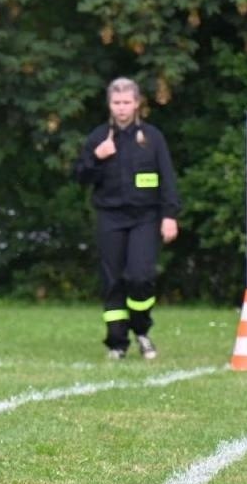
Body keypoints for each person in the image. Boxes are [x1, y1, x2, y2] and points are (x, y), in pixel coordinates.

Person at [72, 77, 180, 360]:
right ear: (110, 104)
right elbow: (81, 177)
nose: (122, 108)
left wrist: (170, 215)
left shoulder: (152, 137)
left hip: (145, 217)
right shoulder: (98, 138)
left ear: (137, 103)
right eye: (116, 102)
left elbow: (168, 179)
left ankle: (142, 330)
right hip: (109, 217)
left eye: (127, 102)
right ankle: (117, 343)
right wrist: (97, 157)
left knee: (140, 276)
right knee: (113, 280)